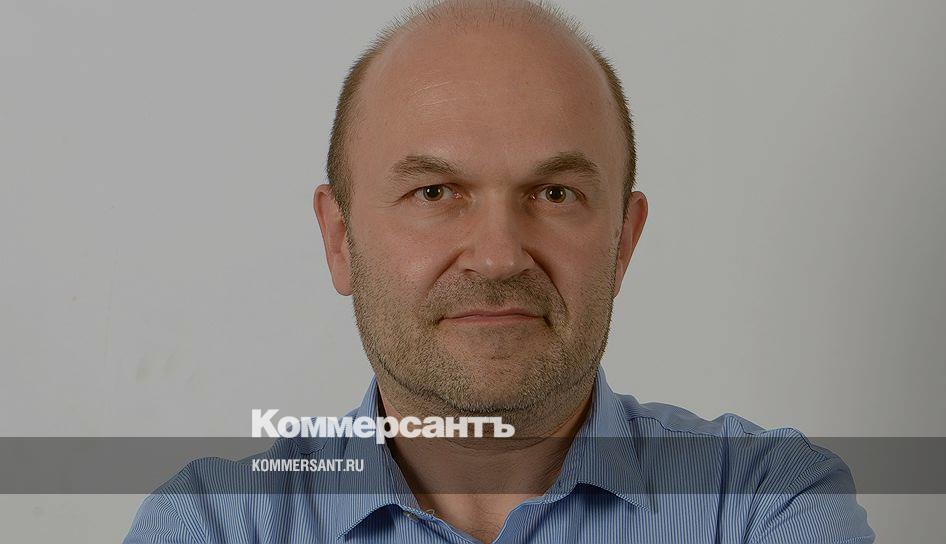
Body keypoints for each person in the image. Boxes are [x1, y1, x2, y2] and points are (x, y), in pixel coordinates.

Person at [125, 1, 875, 542]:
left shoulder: (761, 504)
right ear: (340, 239)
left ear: (623, 241)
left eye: (555, 194)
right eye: (434, 193)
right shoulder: (212, 524)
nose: (497, 256)